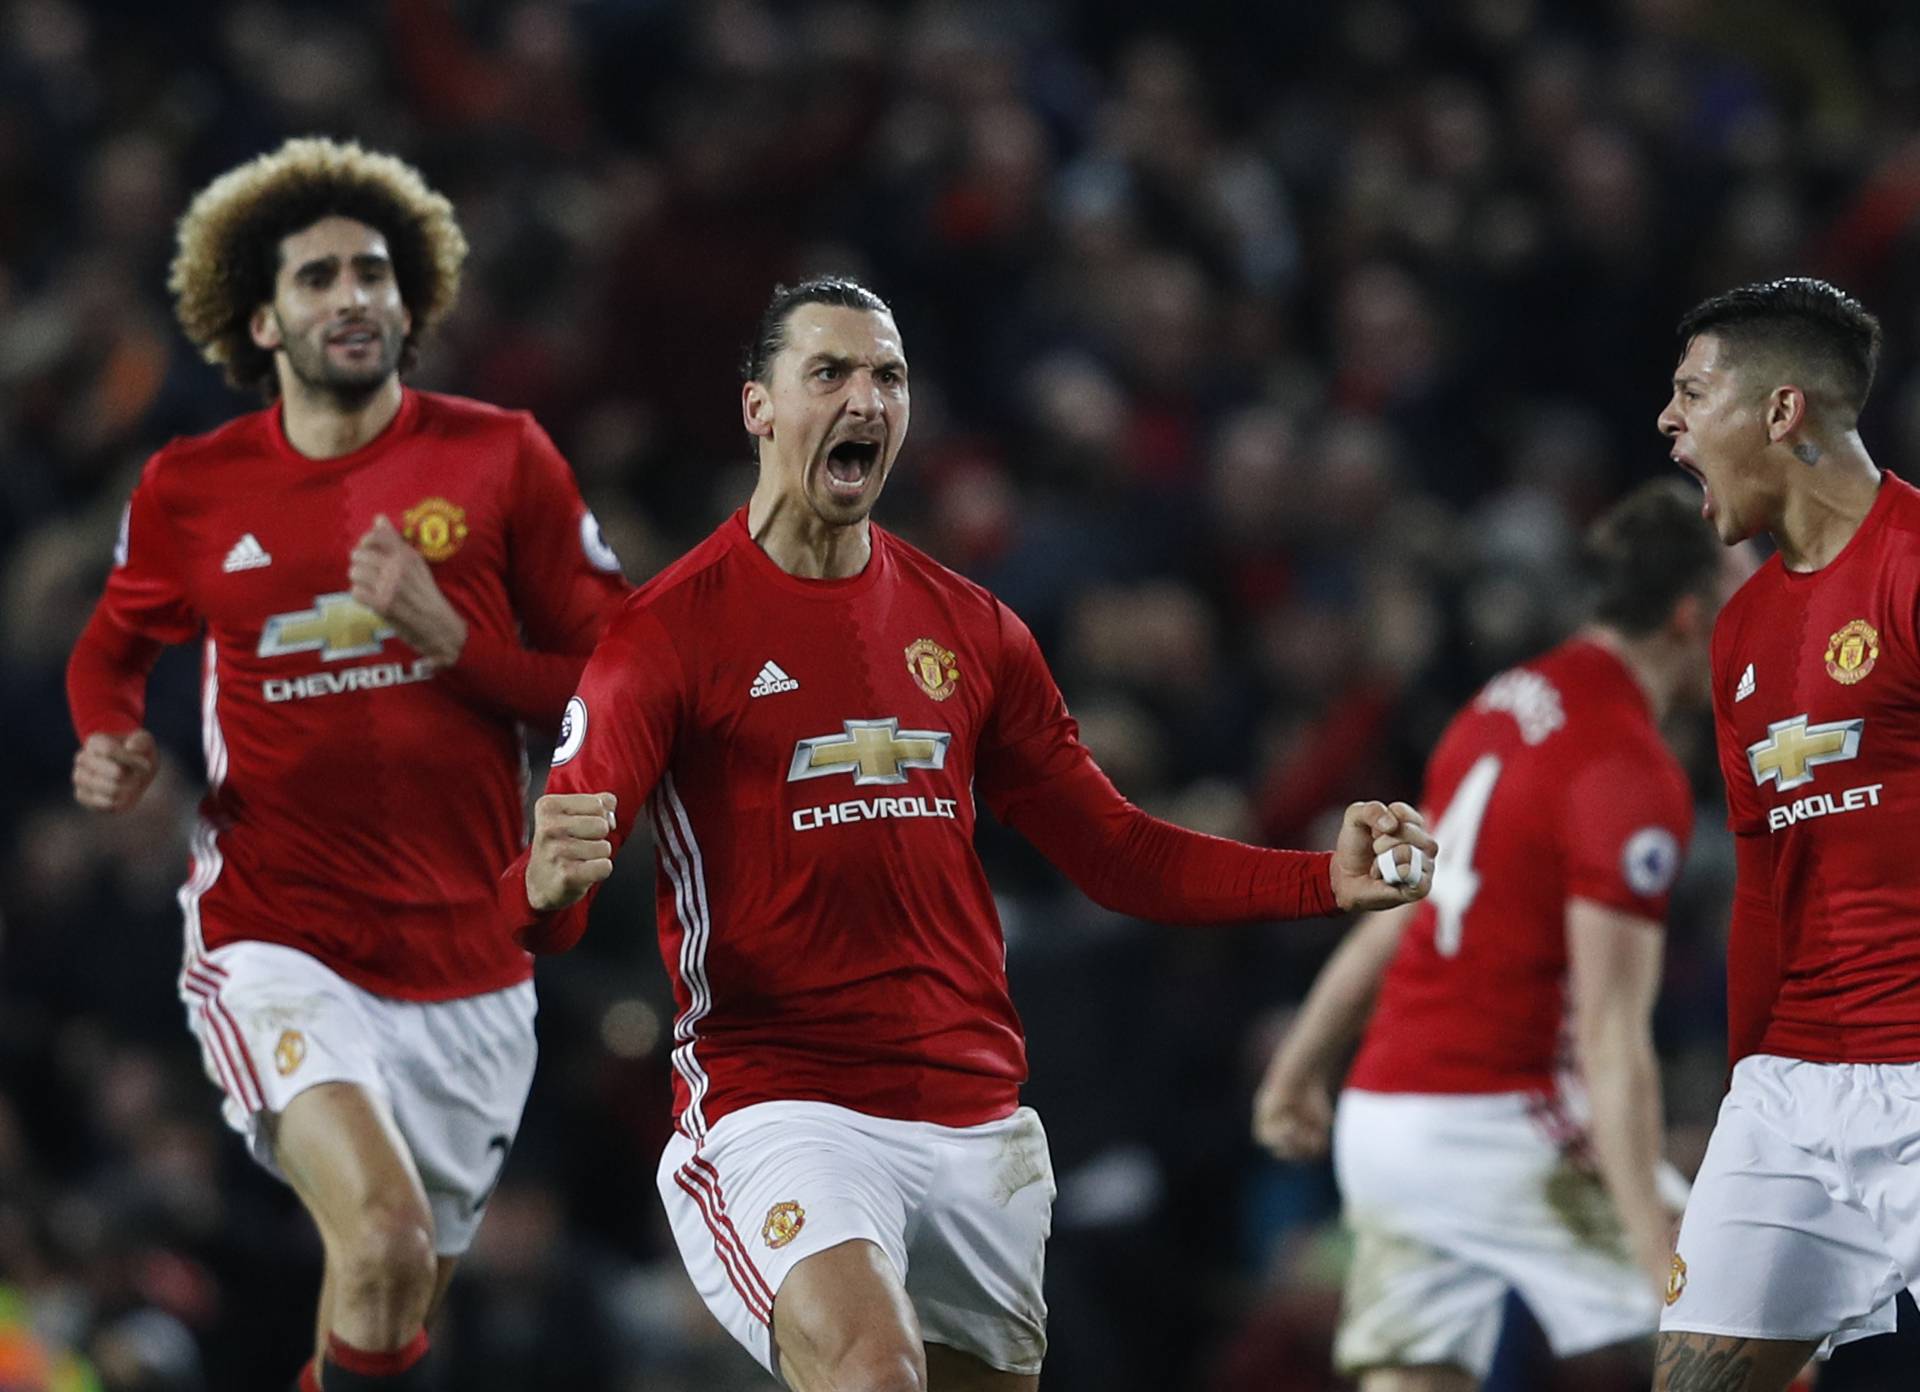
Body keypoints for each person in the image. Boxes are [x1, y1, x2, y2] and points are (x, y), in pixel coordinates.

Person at [497, 275, 1437, 1392]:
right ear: (758, 406)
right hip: (782, 1106)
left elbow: (1116, 851)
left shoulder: (973, 629)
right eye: (830, 374)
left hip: (973, 1120)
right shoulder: (662, 637)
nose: (866, 400)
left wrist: (1316, 880)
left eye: (887, 376)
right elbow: (546, 900)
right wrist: (545, 888)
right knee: (874, 1372)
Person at [65, 137, 629, 1392]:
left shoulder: (501, 457)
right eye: (317, 279)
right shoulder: (193, 486)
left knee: (381, 1301)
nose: (354, 297)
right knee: (379, 1237)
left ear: (410, 294)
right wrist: (108, 737)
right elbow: (109, 650)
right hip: (281, 935)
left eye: (373, 271)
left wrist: (449, 639)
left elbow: (617, 678)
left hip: (473, 963)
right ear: (261, 319)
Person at [1250, 479, 1740, 1392]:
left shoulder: (1500, 703)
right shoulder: (1628, 770)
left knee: (1418, 1378)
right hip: (1495, 1122)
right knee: (1740, 1323)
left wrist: (1299, 1067)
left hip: (1384, 1121)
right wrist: (1653, 1248)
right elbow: (1609, 1034)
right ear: (1687, 615)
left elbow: (1398, 910)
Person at [1651, 276, 1920, 1392]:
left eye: (1690, 392)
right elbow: (1762, 885)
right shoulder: (1742, 631)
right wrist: (1744, 1082)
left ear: (1781, 410)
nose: (1668, 421)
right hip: (1789, 1090)